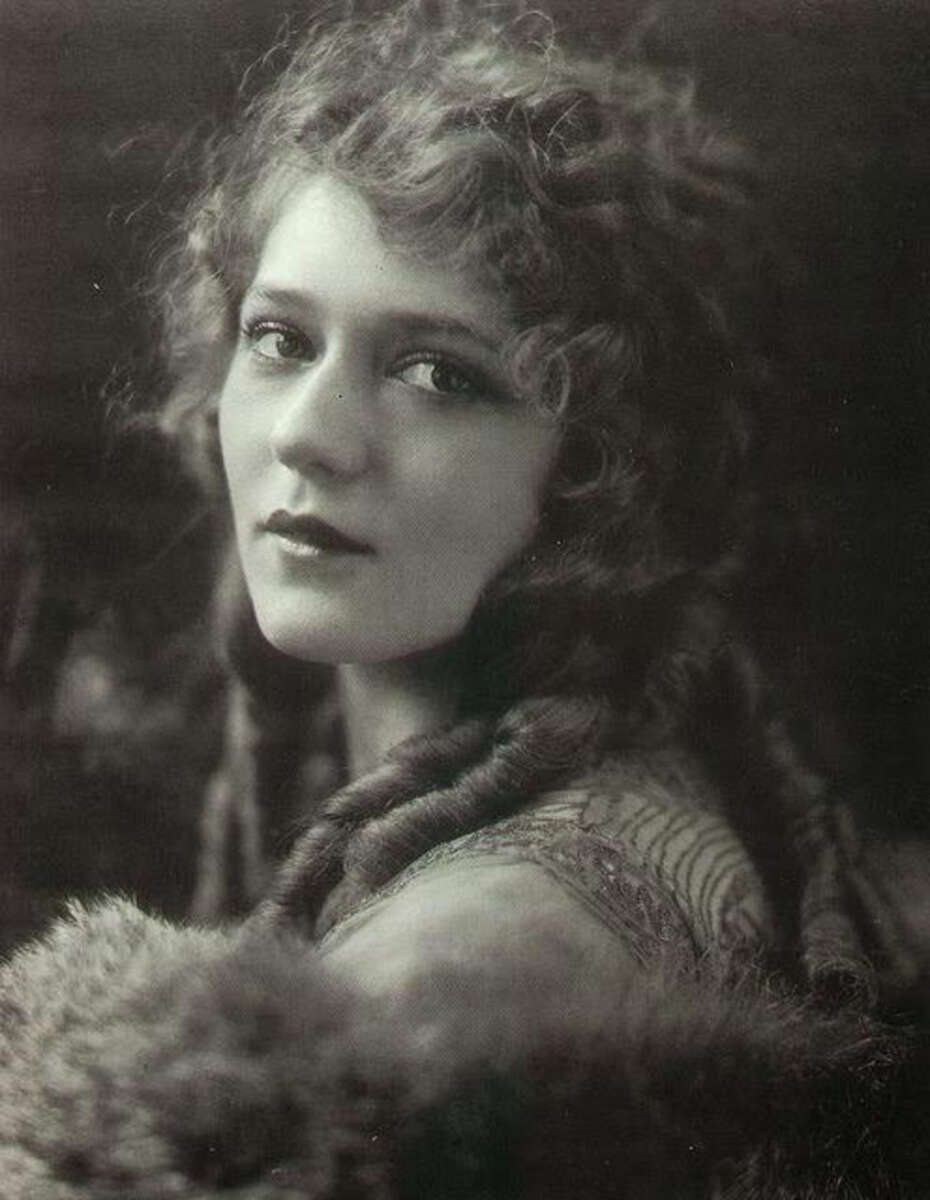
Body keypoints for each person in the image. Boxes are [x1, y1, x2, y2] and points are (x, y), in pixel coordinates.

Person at [1, 3, 927, 1196]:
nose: (310, 435)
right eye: (279, 340)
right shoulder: (611, 770)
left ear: (602, 466)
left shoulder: (449, 972)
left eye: (437, 373)